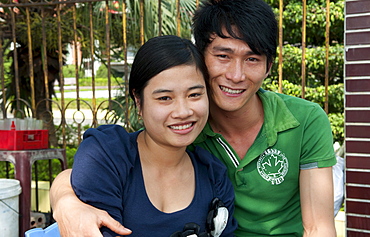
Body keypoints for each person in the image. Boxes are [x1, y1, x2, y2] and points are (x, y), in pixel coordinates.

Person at [50, 0, 337, 236]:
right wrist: (65, 200)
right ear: (200, 58)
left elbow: (318, 227)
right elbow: (110, 162)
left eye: (252, 59)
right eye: (223, 56)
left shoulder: (305, 120)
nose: (236, 75)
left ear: (268, 66)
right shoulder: (184, 124)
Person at [57, 35, 237, 237]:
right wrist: (63, 197)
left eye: (194, 94)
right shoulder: (107, 156)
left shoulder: (214, 176)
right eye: (164, 98)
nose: (183, 111)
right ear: (139, 101)